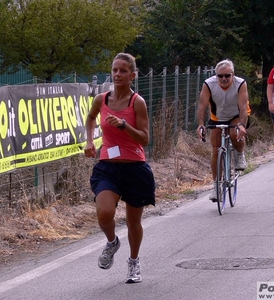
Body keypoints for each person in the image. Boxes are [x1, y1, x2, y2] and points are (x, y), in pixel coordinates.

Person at [84, 53, 155, 284]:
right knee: (104, 213)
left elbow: (144, 139)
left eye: (123, 71)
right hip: (108, 167)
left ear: (132, 75)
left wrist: (125, 126)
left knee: (134, 221)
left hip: (134, 167)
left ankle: (133, 262)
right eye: (115, 70)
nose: (117, 74)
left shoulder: (138, 103)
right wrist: (90, 141)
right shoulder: (101, 99)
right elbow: (91, 118)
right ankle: (112, 242)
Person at [196, 59, 249, 202]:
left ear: (233, 74)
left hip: (236, 115)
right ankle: (216, 186)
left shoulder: (240, 84)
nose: (224, 79)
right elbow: (202, 106)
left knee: (234, 133)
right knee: (215, 149)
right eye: (220, 76)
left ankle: (239, 154)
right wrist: (201, 125)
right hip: (218, 117)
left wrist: (242, 125)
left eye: (227, 75)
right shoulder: (209, 84)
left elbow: (243, 107)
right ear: (216, 76)